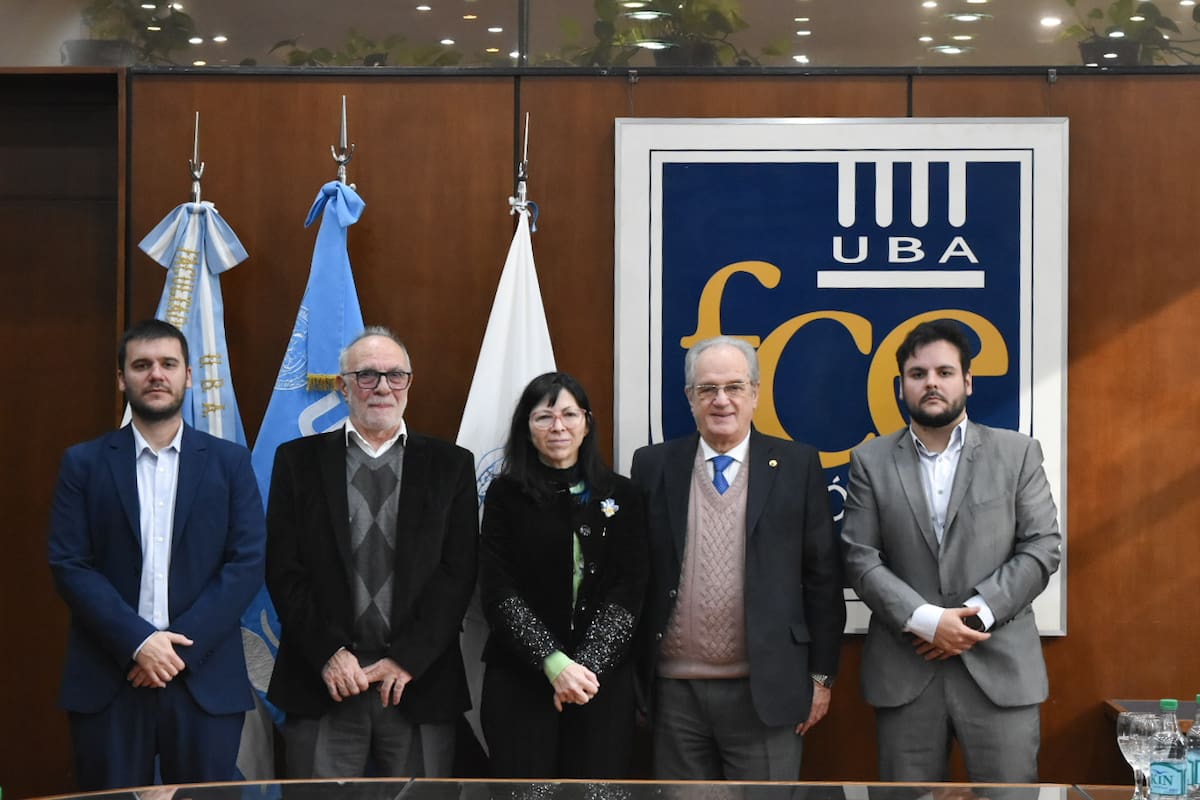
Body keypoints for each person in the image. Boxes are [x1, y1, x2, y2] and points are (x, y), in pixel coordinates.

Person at [840, 319, 1063, 782]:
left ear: (967, 381)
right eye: (918, 374)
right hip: (907, 671)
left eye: (944, 372)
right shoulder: (871, 461)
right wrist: (927, 620)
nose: (931, 383)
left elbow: (1042, 547)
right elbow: (859, 557)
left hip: (1000, 671)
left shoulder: (1017, 453)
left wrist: (973, 615)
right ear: (901, 386)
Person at [48, 319, 267, 790]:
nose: (155, 375)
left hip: (203, 679)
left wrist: (175, 651)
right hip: (111, 678)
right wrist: (140, 643)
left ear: (188, 376)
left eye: (168, 364)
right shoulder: (83, 464)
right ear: (121, 379)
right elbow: (70, 564)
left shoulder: (230, 463)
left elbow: (246, 562)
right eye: (141, 365)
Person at [265, 326, 478, 778]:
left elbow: (458, 573)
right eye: (366, 375)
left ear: (409, 384)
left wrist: (409, 657)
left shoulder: (451, 465)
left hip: (415, 684)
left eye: (394, 375)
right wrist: (328, 652)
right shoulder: (296, 462)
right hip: (324, 683)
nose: (382, 387)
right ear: (342, 386)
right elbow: (283, 570)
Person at [630, 335, 846, 781]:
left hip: (767, 689)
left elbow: (823, 579)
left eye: (734, 387)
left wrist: (822, 679)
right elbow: (635, 576)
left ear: (755, 393)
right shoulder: (652, 466)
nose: (721, 400)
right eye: (708, 389)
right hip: (674, 693)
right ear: (690, 398)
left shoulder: (797, 465)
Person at [479, 372, 648, 778]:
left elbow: (630, 587)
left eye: (570, 414)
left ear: (587, 423)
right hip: (522, 676)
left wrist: (583, 671)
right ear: (526, 427)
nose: (558, 427)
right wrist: (555, 666)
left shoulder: (622, 494)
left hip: (600, 684)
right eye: (544, 417)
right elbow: (498, 587)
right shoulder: (504, 495)